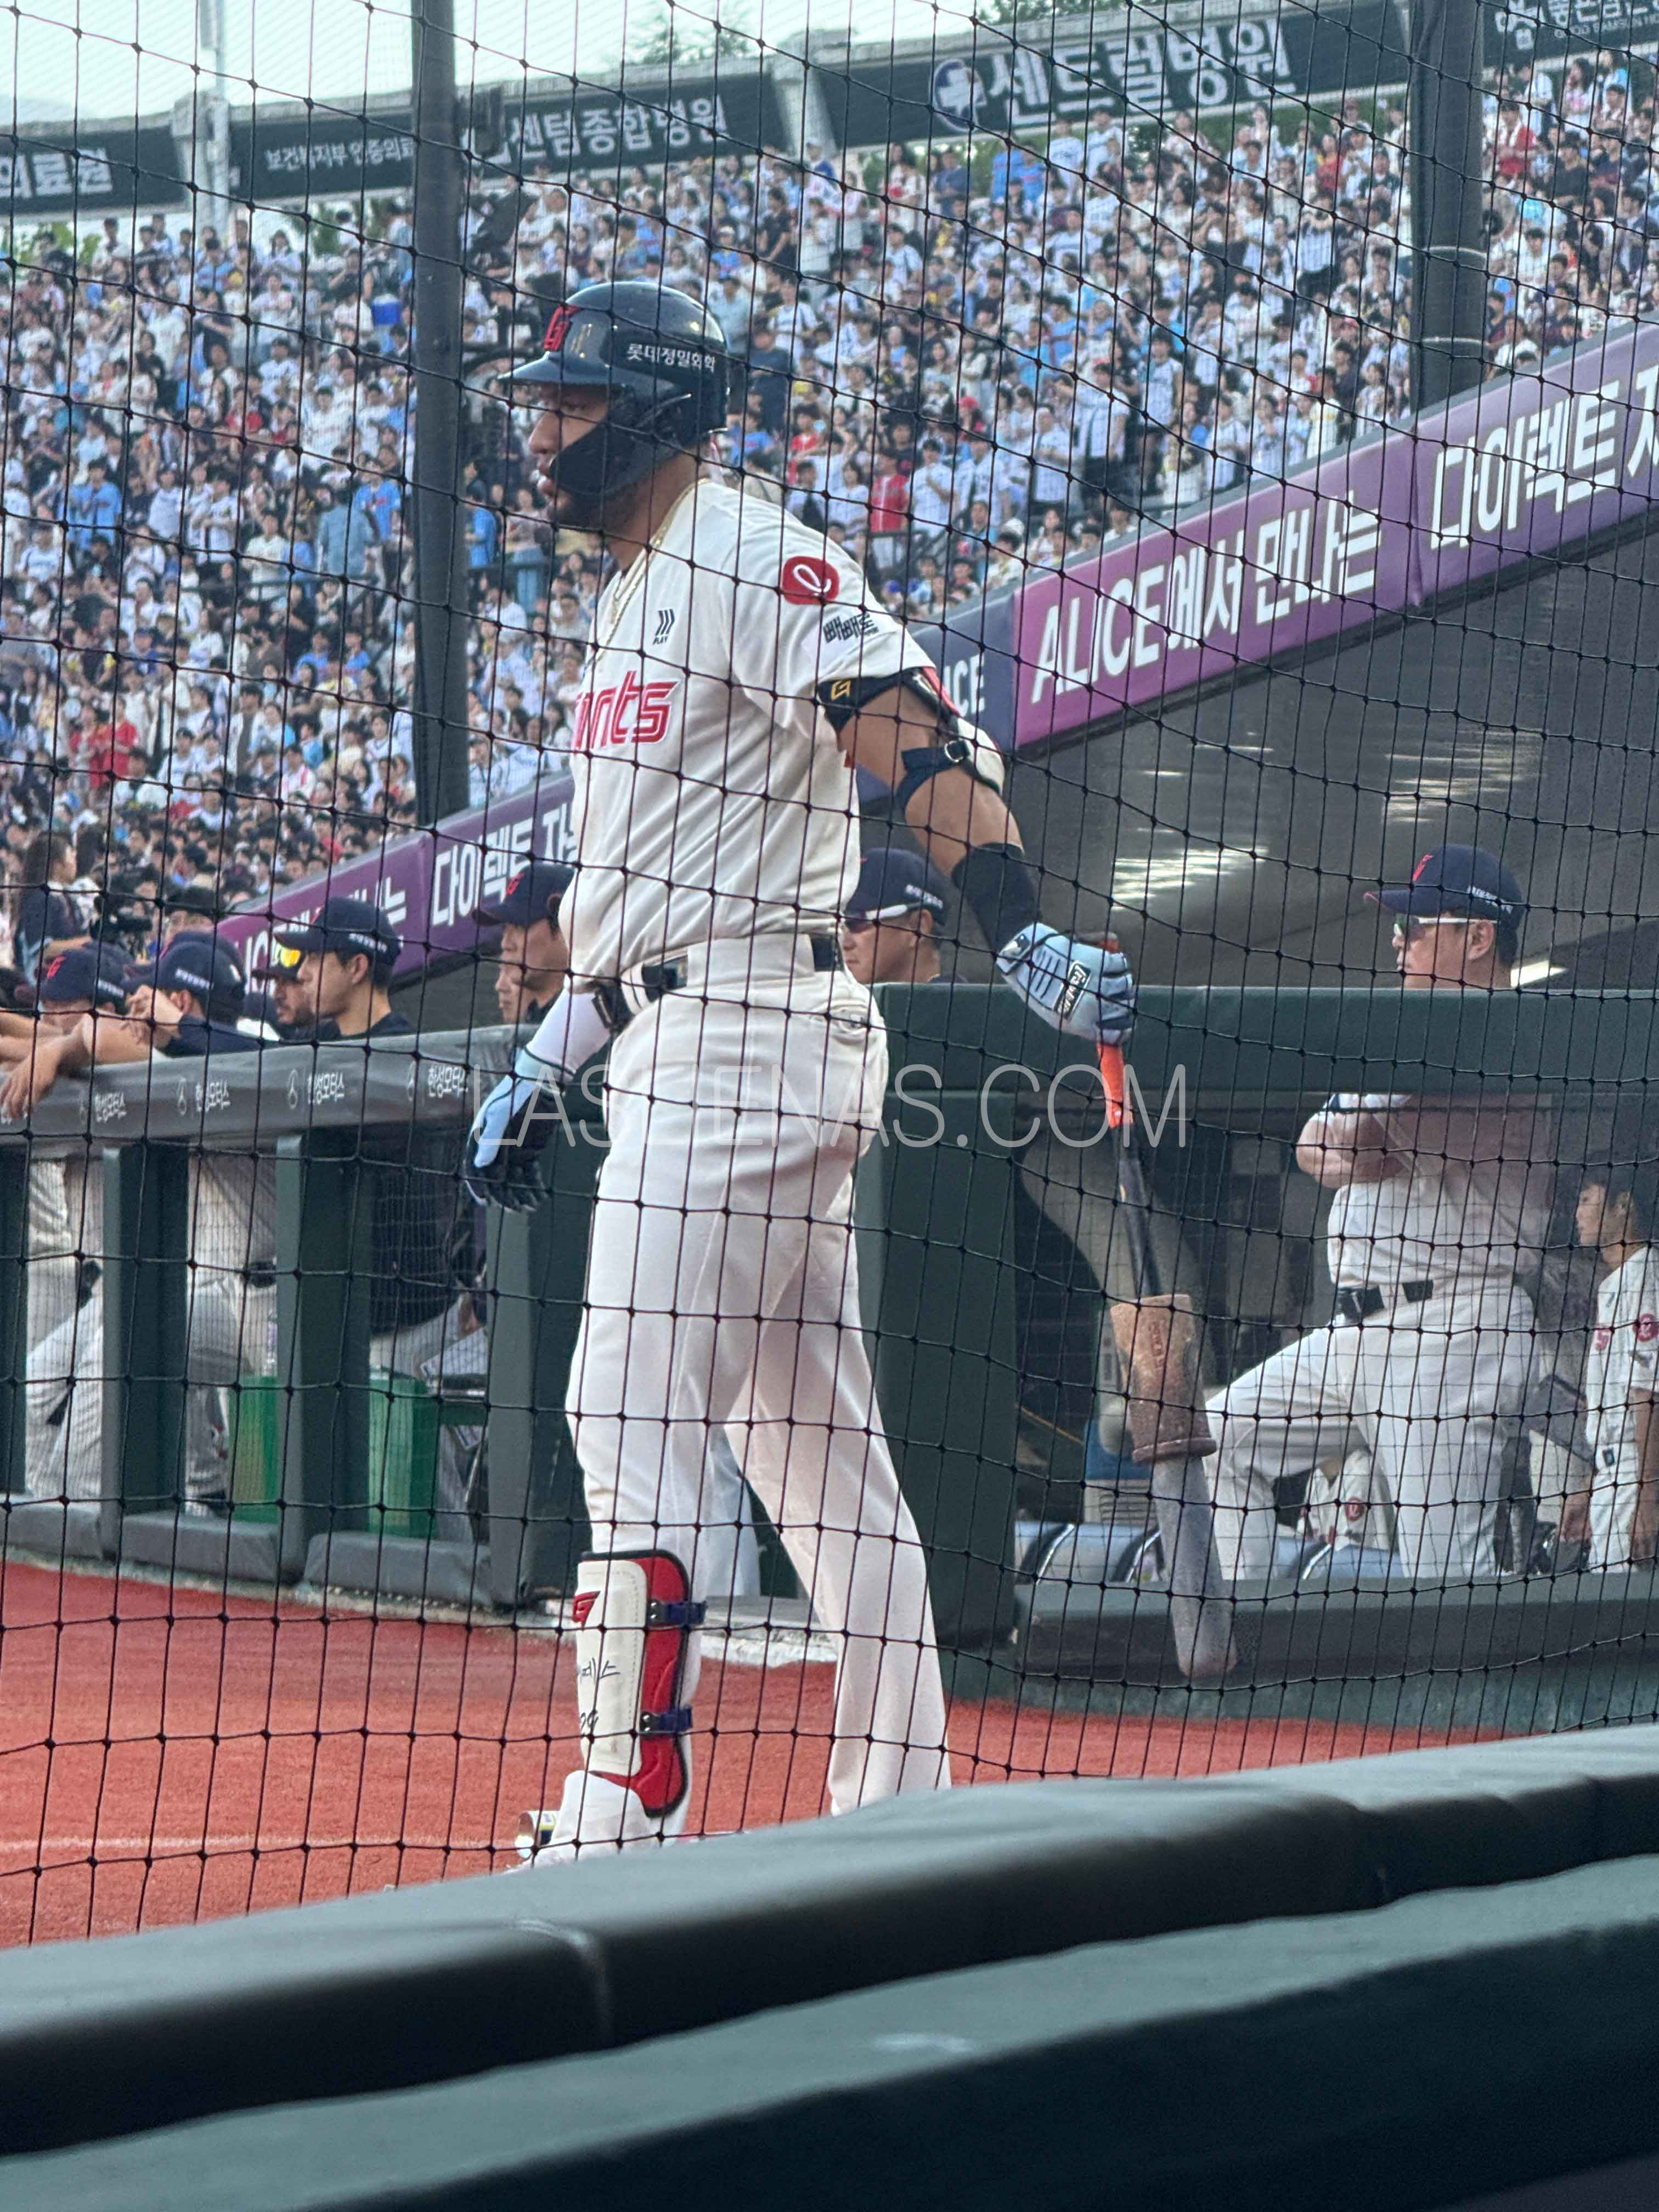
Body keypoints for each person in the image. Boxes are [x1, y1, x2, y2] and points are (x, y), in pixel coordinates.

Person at [465, 279, 1133, 1858]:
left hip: (750, 1037)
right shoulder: (624, 602)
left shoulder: (752, 550)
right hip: (687, 1033)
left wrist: (1015, 926)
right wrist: (549, 1057)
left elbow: (904, 724)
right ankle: (904, 1806)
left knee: (623, 1405)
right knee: (818, 1463)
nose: (542, 432)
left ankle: (627, 1799)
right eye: (540, 404)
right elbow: (643, 905)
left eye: (569, 403)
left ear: (651, 410)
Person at [1207, 846, 1550, 1584]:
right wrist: (1367, 1145)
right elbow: (1314, 1143)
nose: (1398, 940)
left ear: (1478, 937)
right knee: (1221, 1435)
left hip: (1455, 1327)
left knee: (1443, 1577)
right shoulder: (1399, 1028)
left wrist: (1368, 1143)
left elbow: (1373, 1141)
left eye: (1416, 927)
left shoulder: (1511, 1036)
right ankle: (1252, 1643)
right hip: (1357, 1331)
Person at [1573, 1169, 1659, 1571]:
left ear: (1623, 1205)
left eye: (1586, 1200)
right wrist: (1590, 1485)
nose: (1577, 1213)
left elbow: (1649, 1393)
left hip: (1636, 1475)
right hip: (1614, 1475)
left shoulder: (1646, 1276)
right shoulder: (1617, 1282)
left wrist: (1647, 1496)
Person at [271, 896, 410, 1041]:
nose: (301, 974)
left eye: (315, 956)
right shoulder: (320, 1037)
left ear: (356, 968)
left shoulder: (399, 1048)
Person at [838, 845, 951, 989]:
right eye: (838, 925)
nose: (844, 942)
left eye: (857, 921)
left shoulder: (968, 1002)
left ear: (918, 927)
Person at [479, 861, 573, 1028]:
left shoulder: (603, 1012)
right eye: (505, 929)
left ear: (563, 926)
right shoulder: (534, 1022)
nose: (506, 943)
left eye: (520, 927)